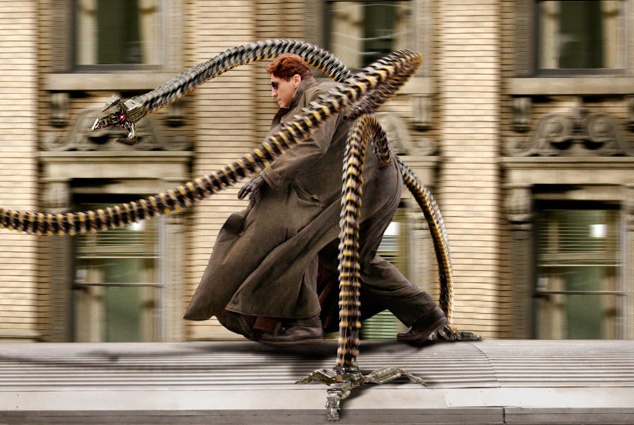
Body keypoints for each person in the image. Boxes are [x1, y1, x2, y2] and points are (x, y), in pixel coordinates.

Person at [184, 53, 447, 346]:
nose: (272, 94)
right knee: (356, 261)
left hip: (361, 184)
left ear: (295, 80)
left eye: (275, 86)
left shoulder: (322, 94)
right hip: (371, 186)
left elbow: (314, 143)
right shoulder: (312, 101)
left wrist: (268, 176)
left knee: (299, 242)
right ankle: (427, 316)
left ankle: (304, 323)